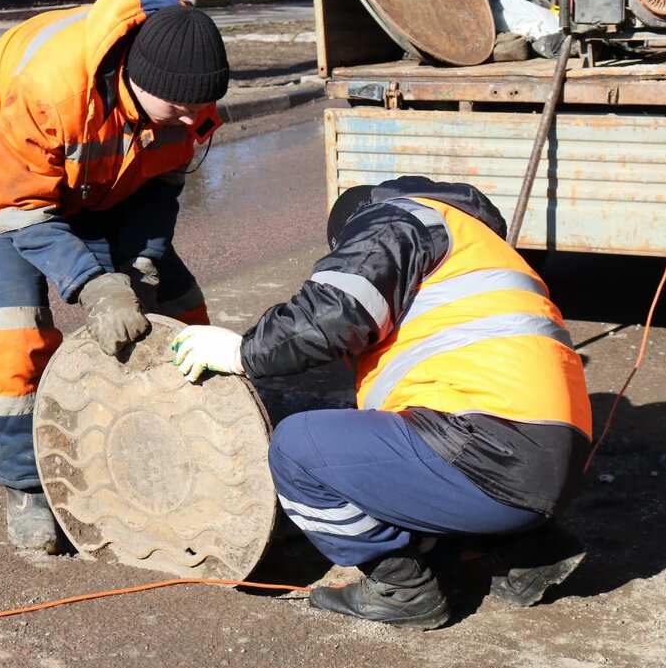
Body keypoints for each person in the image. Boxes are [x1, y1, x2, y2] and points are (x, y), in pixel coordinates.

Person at [171, 176, 592, 629]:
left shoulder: (395, 221)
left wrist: (241, 352)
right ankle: (530, 549)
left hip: (488, 455)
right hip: (553, 467)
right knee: (388, 447)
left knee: (299, 448)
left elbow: (330, 314)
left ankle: (402, 590)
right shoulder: (478, 246)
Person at [0, 0, 229, 550]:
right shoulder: (49, 91)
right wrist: (94, 285)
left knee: (177, 303)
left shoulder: (184, 92)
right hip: (2, 163)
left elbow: (162, 185)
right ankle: (26, 485)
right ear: (136, 81)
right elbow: (23, 207)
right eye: (179, 109)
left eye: (199, 109)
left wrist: (141, 262)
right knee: (14, 330)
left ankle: (200, 429)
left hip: (107, 162)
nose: (192, 119)